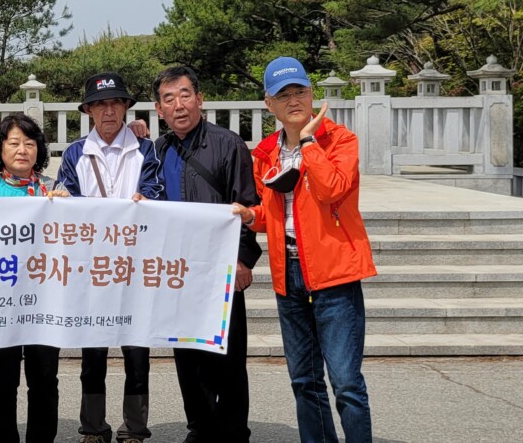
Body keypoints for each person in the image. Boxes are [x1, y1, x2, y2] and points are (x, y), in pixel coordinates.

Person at [232, 57, 375, 443]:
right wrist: (248, 215)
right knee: (304, 380)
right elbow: (269, 215)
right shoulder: (264, 153)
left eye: (300, 91)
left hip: (335, 272)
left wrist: (309, 142)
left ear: (311, 94)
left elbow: (331, 190)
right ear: (269, 104)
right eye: (283, 95)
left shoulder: (340, 140)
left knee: (345, 382)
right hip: (288, 273)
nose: (293, 100)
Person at [151, 66, 261, 443]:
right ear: (158, 108)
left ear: (200, 98)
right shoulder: (159, 148)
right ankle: (199, 427)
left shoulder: (228, 143)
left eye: (185, 95)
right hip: (178, 270)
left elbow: (248, 202)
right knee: (187, 357)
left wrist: (244, 258)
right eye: (169, 99)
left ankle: (232, 432)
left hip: (221, 267)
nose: (178, 105)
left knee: (228, 358)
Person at [56, 72, 163, 443]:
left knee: (137, 351)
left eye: (115, 102)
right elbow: (64, 201)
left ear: (126, 107)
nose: (108, 110)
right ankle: (92, 426)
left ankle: (135, 427)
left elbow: (155, 193)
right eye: (100, 104)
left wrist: (142, 203)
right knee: (93, 352)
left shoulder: (148, 149)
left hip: (135, 264)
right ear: (88, 110)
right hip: (92, 266)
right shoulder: (74, 153)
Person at [0, 114, 68, 443]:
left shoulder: (55, 189)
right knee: (1, 379)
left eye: (29, 143)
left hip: (45, 300)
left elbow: (74, 239)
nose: (22, 150)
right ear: (0, 149)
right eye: (14, 143)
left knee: (44, 377)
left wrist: (69, 209)